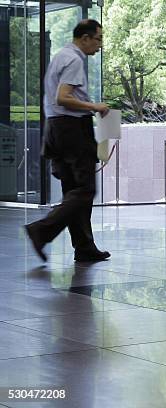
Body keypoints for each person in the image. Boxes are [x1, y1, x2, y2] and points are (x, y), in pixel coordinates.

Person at [25, 19, 111, 263]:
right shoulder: (74, 59)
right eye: (98, 39)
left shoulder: (60, 55)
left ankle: (84, 246)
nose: (100, 45)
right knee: (85, 189)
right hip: (72, 128)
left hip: (55, 128)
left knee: (72, 189)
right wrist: (94, 106)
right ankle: (41, 230)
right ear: (84, 38)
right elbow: (63, 97)